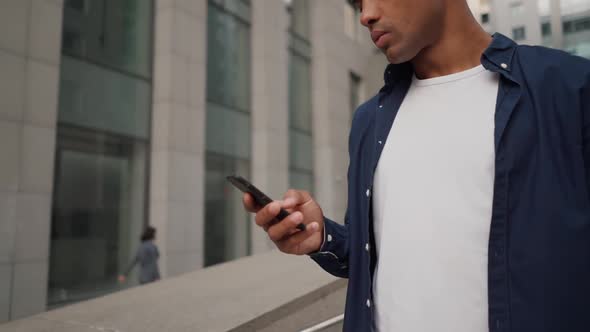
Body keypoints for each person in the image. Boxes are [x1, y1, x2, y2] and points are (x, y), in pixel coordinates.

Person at [242, 0, 590, 331]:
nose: (365, 15)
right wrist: (321, 236)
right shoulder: (369, 120)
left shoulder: (568, 89)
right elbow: (378, 254)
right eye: (359, 3)